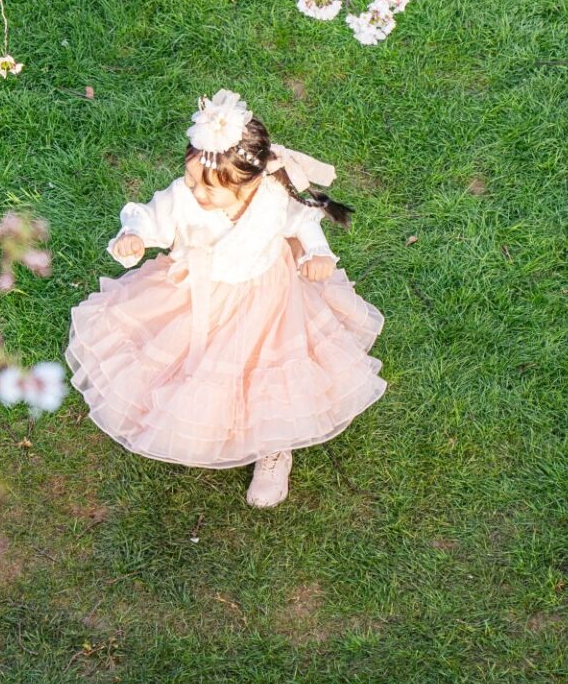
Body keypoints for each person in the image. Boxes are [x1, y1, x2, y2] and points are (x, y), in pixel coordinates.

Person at [64, 89, 387, 507]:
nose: (196, 192)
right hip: (197, 296)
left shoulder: (273, 196)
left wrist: (318, 253)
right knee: (190, 360)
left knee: (268, 368)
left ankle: (273, 447)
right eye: (190, 179)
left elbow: (303, 220)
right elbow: (150, 216)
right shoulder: (185, 198)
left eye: (208, 189)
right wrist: (134, 236)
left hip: (268, 300)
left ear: (248, 182)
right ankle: (183, 412)